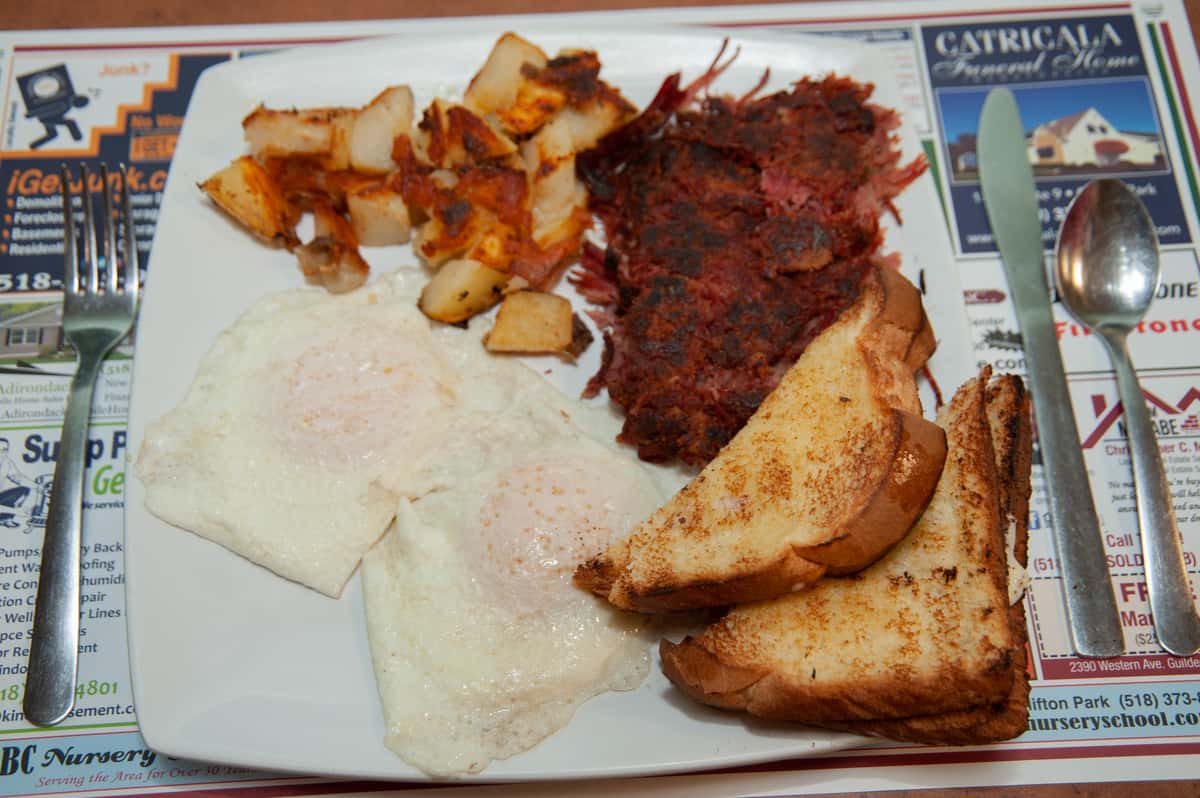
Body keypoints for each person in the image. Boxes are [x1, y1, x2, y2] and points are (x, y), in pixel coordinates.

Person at [0, 438, 35, 528]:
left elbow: (18, 477)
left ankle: (4, 519)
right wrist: (17, 511)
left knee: (24, 489)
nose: (1, 453)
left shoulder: (6, 462)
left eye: (4, 450)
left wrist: (39, 487)